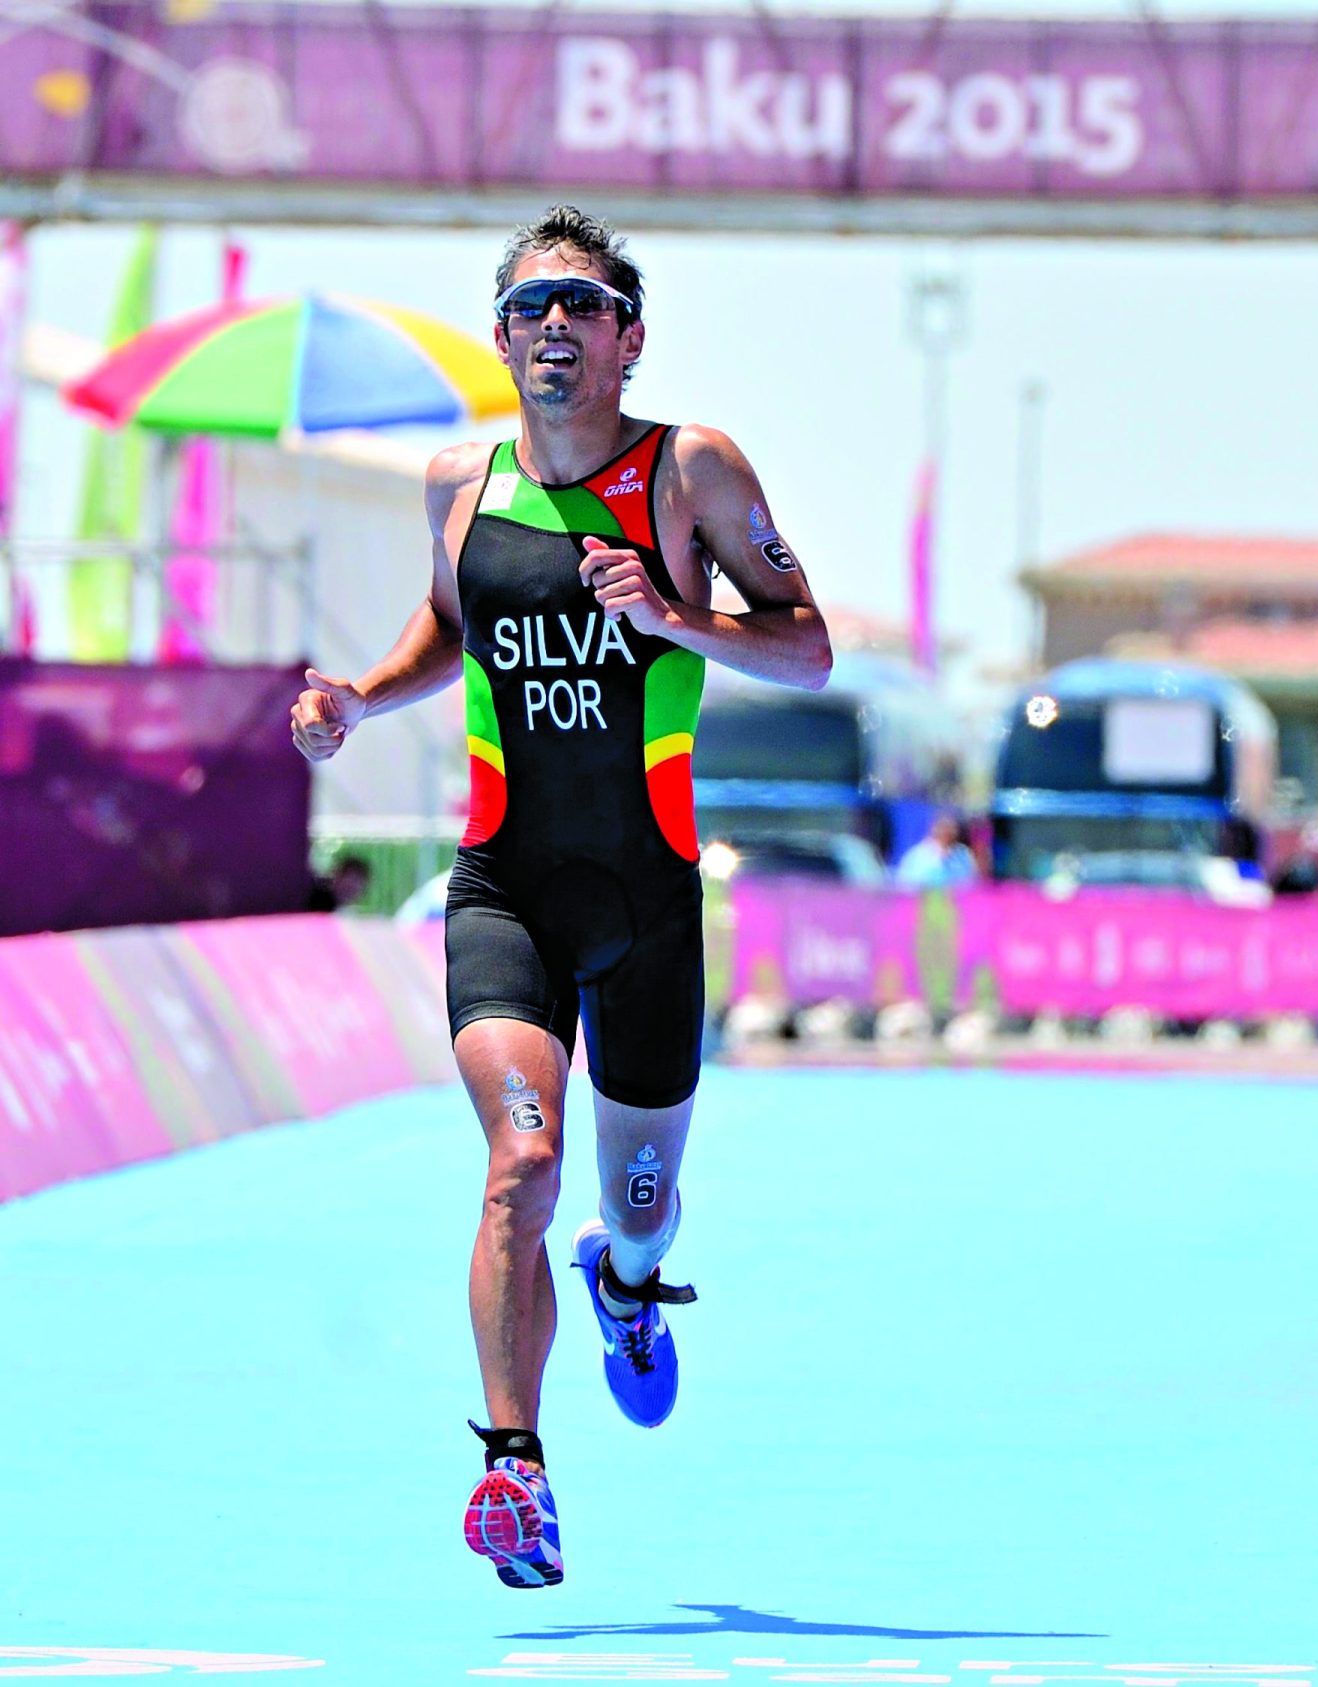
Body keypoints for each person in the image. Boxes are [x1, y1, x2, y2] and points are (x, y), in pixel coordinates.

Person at [288, 205, 831, 1590]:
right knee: (519, 1161)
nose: (553, 328)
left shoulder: (691, 470)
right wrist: (361, 692)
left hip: (644, 897)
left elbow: (811, 648)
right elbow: (444, 627)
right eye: (528, 307)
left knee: (634, 1200)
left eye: (581, 305)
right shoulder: (456, 480)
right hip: (506, 886)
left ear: (627, 338)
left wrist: (676, 616)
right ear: (501, 334)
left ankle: (631, 1281)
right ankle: (513, 1468)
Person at [895, 812, 977, 890]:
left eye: (951, 827)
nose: (947, 831)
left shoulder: (963, 853)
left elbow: (971, 882)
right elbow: (906, 883)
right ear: (934, 828)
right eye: (943, 827)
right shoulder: (918, 855)